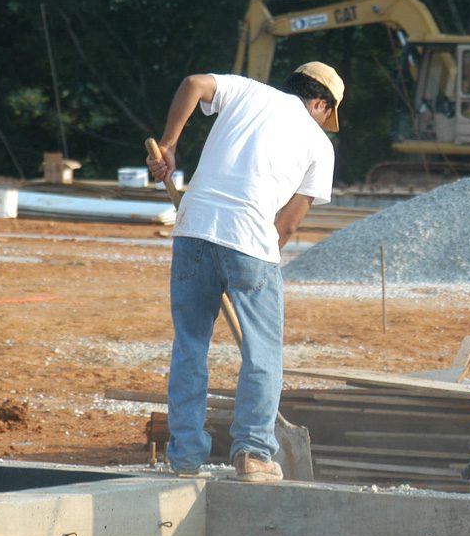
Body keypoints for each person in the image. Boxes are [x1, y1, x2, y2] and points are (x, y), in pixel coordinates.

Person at [146, 62, 343, 482]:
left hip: (193, 229)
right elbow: (287, 225)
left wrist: (168, 144)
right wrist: (254, 261)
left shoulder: (248, 92)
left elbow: (193, 82)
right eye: (329, 114)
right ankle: (253, 455)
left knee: (190, 345)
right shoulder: (320, 145)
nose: (326, 122)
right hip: (251, 241)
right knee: (262, 353)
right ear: (321, 104)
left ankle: (184, 456)